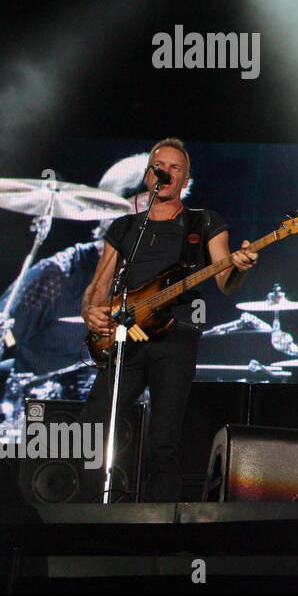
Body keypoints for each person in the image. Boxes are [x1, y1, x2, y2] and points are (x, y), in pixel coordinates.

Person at [78, 138, 258, 501]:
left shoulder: (205, 221)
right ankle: (84, 514)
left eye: (175, 167)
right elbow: (97, 287)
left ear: (186, 179)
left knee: (164, 440)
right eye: (159, 165)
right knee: (90, 428)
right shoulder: (125, 227)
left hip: (175, 339)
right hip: (125, 337)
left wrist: (240, 267)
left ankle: (159, 528)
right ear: (149, 175)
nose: (166, 171)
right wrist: (91, 313)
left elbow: (225, 281)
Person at [0, 151, 163, 429]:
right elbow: (6, 340)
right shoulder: (58, 275)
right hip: (44, 428)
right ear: (117, 207)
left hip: (118, 428)